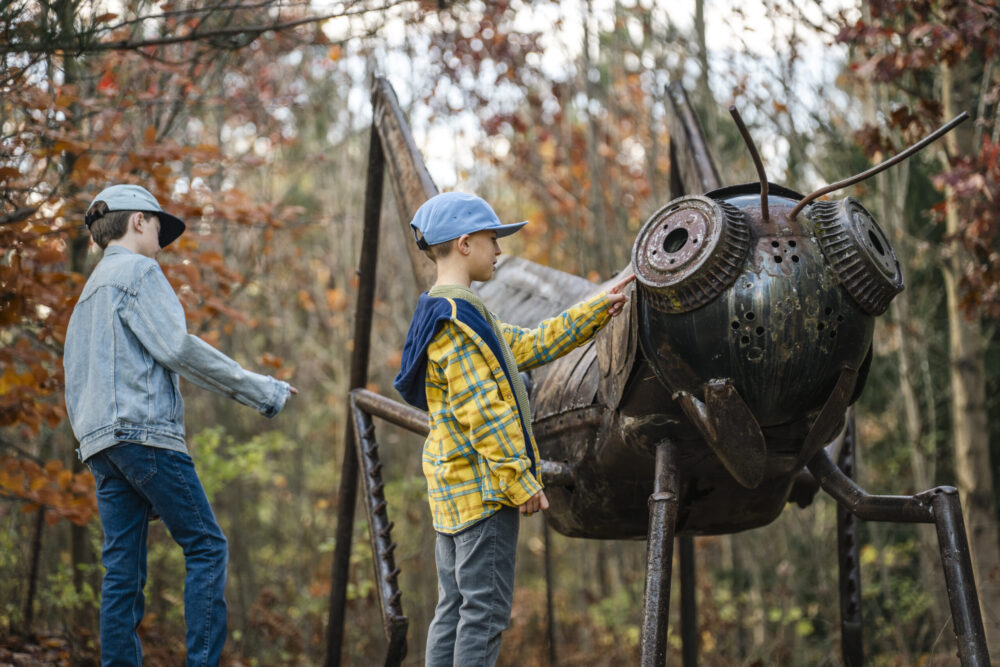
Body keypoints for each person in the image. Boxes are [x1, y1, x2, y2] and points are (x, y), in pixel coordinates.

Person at [393, 192, 633, 666]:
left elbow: (531, 344)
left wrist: (600, 307)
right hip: (483, 494)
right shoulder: (458, 322)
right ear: (464, 244)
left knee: (455, 607)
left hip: (454, 492)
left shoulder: (451, 310)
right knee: (483, 613)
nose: (499, 250)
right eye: (492, 240)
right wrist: (520, 481)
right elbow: (483, 410)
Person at [63, 184, 298, 667]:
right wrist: (263, 390)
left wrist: (96, 445)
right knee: (208, 547)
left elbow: (75, 381)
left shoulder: (85, 297)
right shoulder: (139, 271)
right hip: (145, 436)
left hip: (101, 447)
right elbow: (179, 349)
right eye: (158, 229)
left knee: (121, 572)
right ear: (138, 222)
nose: (161, 244)